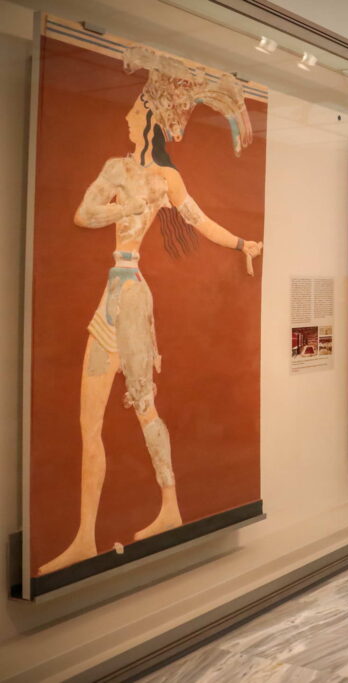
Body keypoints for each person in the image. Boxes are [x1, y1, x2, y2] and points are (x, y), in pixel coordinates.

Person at [39, 48, 262, 575]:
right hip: (111, 296)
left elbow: (201, 222)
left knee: (144, 409)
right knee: (88, 421)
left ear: (151, 118)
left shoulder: (166, 179)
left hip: (135, 299)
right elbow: (84, 213)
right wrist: (129, 205)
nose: (128, 112)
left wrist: (243, 245)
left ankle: (170, 508)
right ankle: (85, 537)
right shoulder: (116, 169)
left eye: (138, 107)